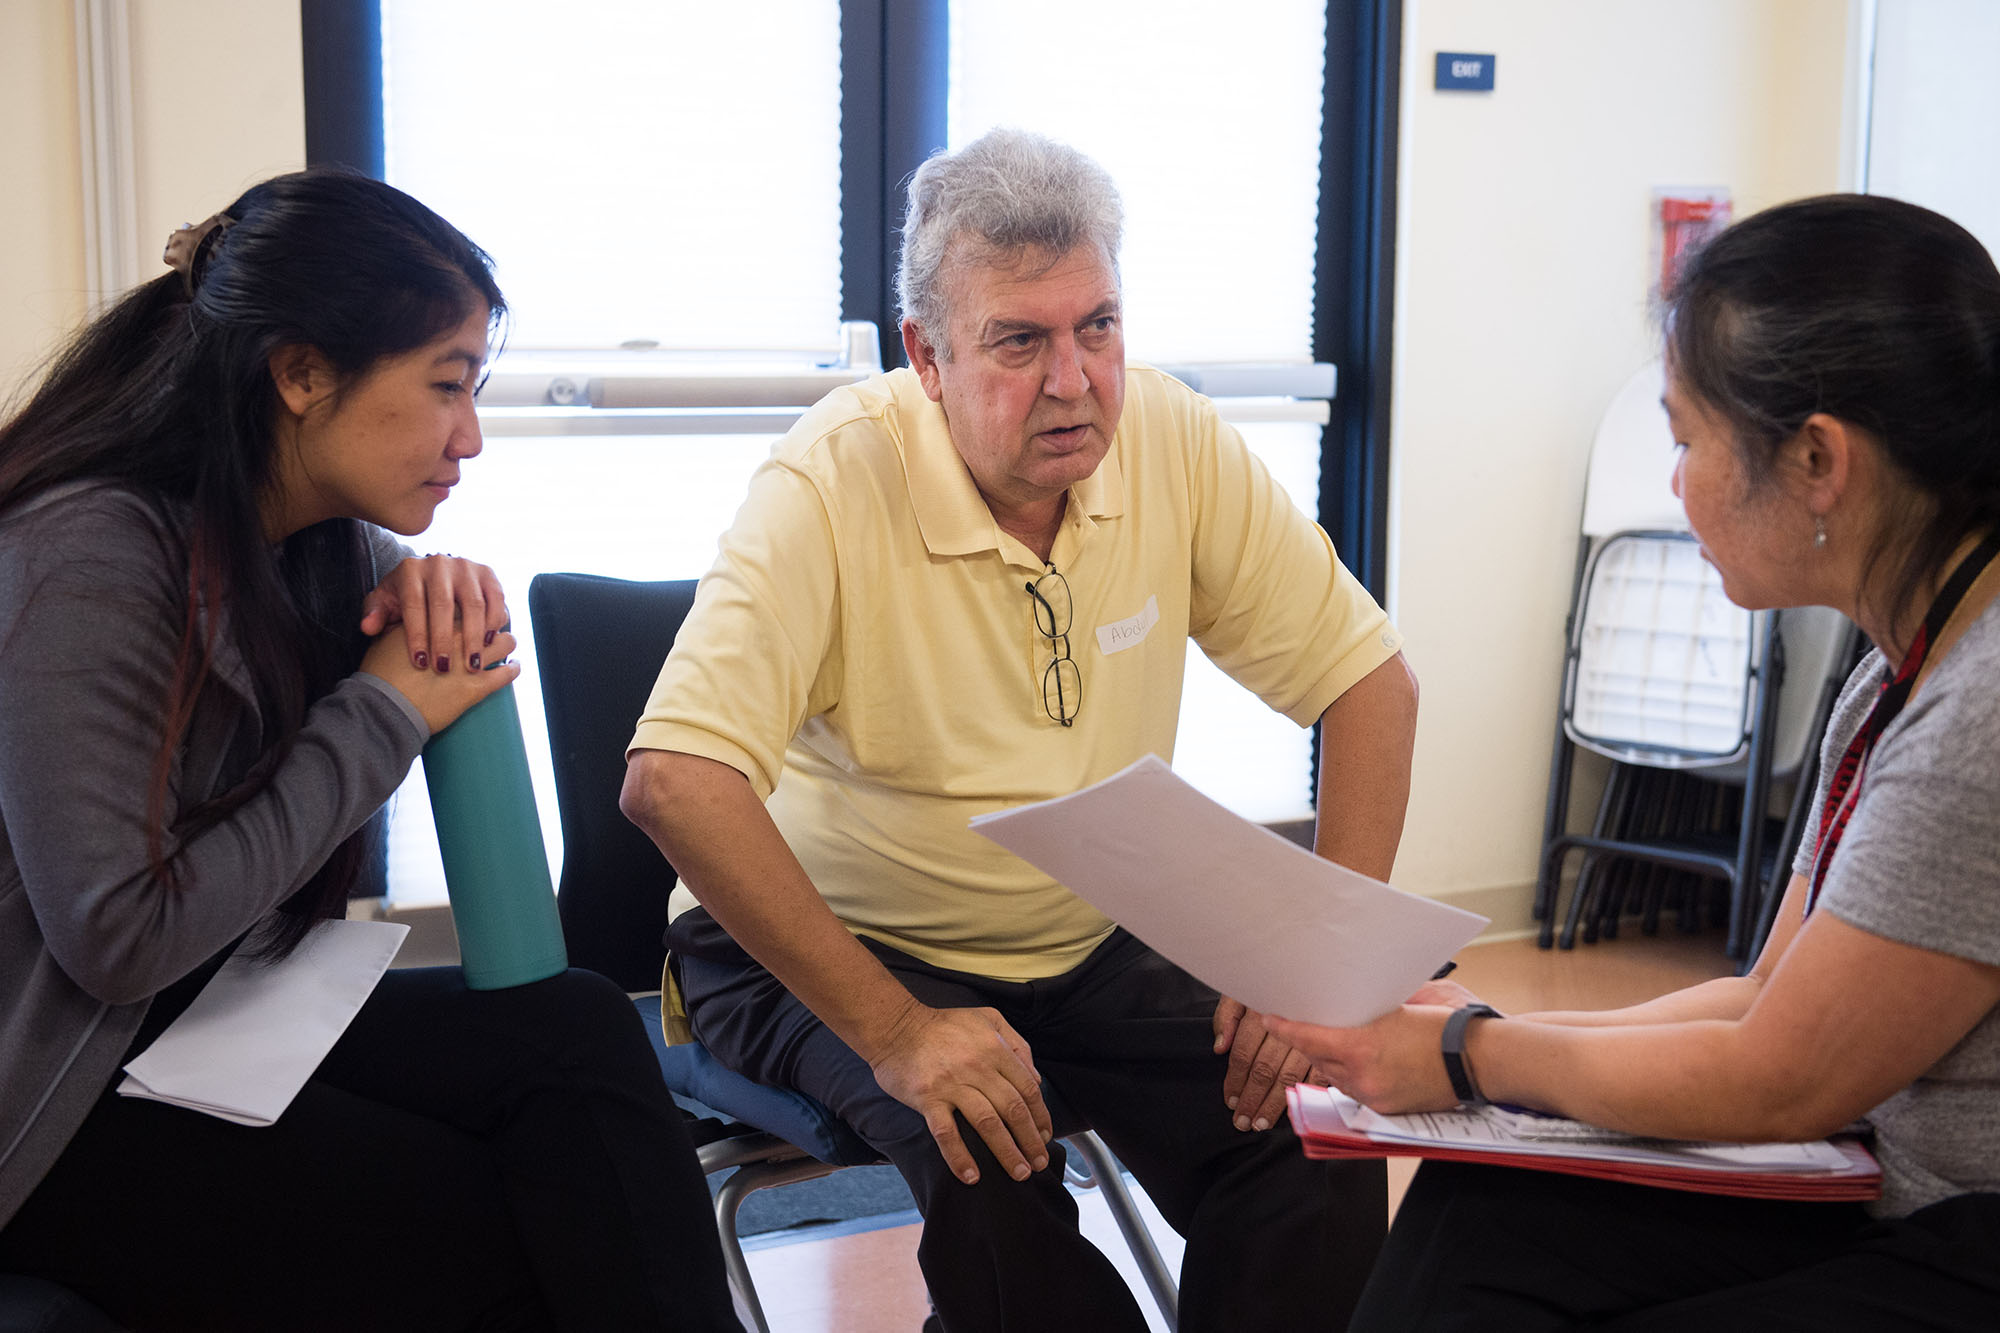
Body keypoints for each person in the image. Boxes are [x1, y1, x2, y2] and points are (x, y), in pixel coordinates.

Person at [620, 128, 1419, 1331]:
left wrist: (1319, 972)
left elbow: (1368, 683)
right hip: (838, 949)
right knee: (986, 1168)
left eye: (1096, 325)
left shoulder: (1168, 435)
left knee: (1308, 1136)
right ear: (925, 357)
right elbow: (673, 782)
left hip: (1080, 932)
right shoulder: (830, 480)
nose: (1072, 378)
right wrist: (896, 1032)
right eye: (1018, 340)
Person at [0, 169, 741, 1333]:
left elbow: (275, 883)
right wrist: (382, 711)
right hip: (48, 1103)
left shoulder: (309, 550)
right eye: (446, 386)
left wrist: (411, 625)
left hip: (195, 1024)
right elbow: (115, 934)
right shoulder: (88, 553)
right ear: (299, 374)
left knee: (578, 1031)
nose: (471, 437)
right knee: (506, 1219)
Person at [1266, 193, 2000, 1331]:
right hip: (1884, 1174)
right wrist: (1466, 1031)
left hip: (1960, 1227)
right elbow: (1764, 996)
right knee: (1484, 1208)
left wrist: (1468, 1056)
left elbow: (1781, 1075)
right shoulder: (1899, 660)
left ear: (1815, 459)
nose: (1674, 485)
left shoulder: (1975, 718)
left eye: (1684, 438)